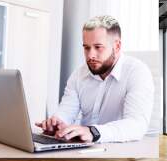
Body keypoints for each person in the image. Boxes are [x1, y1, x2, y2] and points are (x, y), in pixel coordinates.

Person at [36, 15, 154, 143]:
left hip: (122, 152)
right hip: (84, 150)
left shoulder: (137, 72)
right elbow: (66, 112)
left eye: (98, 47)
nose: (90, 55)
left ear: (117, 46)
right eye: (86, 47)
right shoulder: (79, 74)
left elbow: (136, 126)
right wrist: (57, 123)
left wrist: (93, 132)